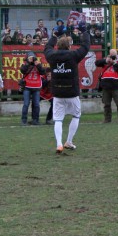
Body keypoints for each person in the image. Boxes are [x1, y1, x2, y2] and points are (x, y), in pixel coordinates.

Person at [44, 19, 90, 154]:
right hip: (72, 92)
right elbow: (86, 46)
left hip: (57, 92)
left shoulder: (52, 56)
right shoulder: (73, 55)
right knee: (76, 116)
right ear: (69, 46)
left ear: (57, 46)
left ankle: (59, 144)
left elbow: (46, 48)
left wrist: (54, 36)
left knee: (58, 119)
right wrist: (84, 32)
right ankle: (69, 141)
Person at [95, 49, 118, 123]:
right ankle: (107, 119)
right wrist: (106, 61)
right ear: (109, 54)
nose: (112, 57)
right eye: (111, 55)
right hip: (106, 86)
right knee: (106, 104)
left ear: (117, 54)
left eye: (114, 55)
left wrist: (115, 63)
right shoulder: (106, 60)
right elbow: (97, 63)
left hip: (116, 86)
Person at [20, 52, 45, 125]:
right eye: (30, 57)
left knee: (36, 104)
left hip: (36, 87)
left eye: (33, 57)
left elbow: (43, 72)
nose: (32, 59)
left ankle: (35, 120)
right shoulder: (24, 64)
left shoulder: (38, 64)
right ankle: (24, 120)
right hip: (27, 86)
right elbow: (22, 70)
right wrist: (28, 63)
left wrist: (38, 65)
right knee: (26, 104)